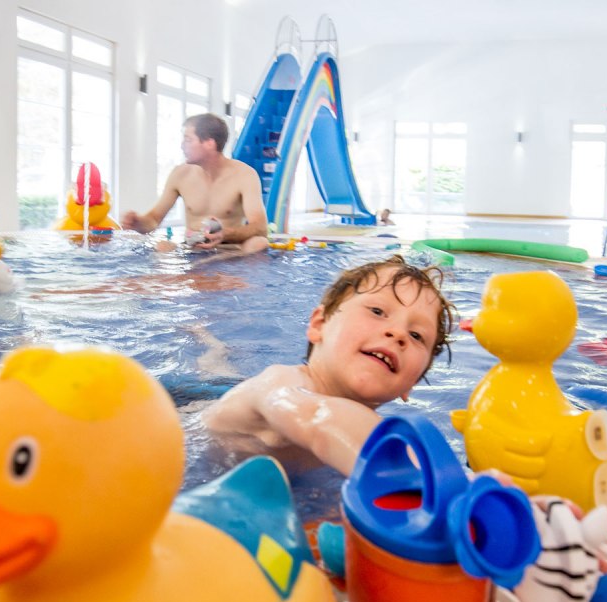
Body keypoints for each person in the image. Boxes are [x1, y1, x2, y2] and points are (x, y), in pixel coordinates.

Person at [201, 255, 456, 477]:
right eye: (377, 311)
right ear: (319, 325)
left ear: (412, 383)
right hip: (189, 424)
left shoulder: (371, 431)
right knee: (214, 367)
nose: (398, 333)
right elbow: (318, 418)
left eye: (416, 336)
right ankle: (210, 345)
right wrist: (429, 482)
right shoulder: (282, 384)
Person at [121, 114, 269, 253]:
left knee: (259, 243)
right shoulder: (180, 174)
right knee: (162, 246)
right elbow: (153, 219)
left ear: (209, 143)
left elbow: (260, 227)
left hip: (230, 250)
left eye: (188, 140)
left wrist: (225, 234)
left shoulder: (244, 175)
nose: (182, 146)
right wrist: (138, 223)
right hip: (191, 251)